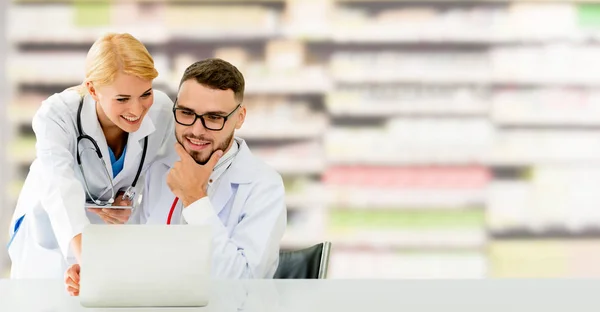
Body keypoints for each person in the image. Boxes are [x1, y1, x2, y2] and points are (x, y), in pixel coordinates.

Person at [65, 58, 287, 295]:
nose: (196, 130)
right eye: (186, 113)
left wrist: (196, 200)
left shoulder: (264, 186)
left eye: (214, 118)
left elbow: (244, 285)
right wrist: (99, 270)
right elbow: (139, 257)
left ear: (240, 117)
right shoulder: (159, 170)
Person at [7, 33, 176, 279]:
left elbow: (160, 172)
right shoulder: (56, 115)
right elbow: (59, 186)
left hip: (107, 235)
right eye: (122, 99)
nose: (137, 110)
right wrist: (87, 261)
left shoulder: (161, 111)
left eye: (145, 94)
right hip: (50, 234)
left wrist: (129, 197)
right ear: (92, 90)